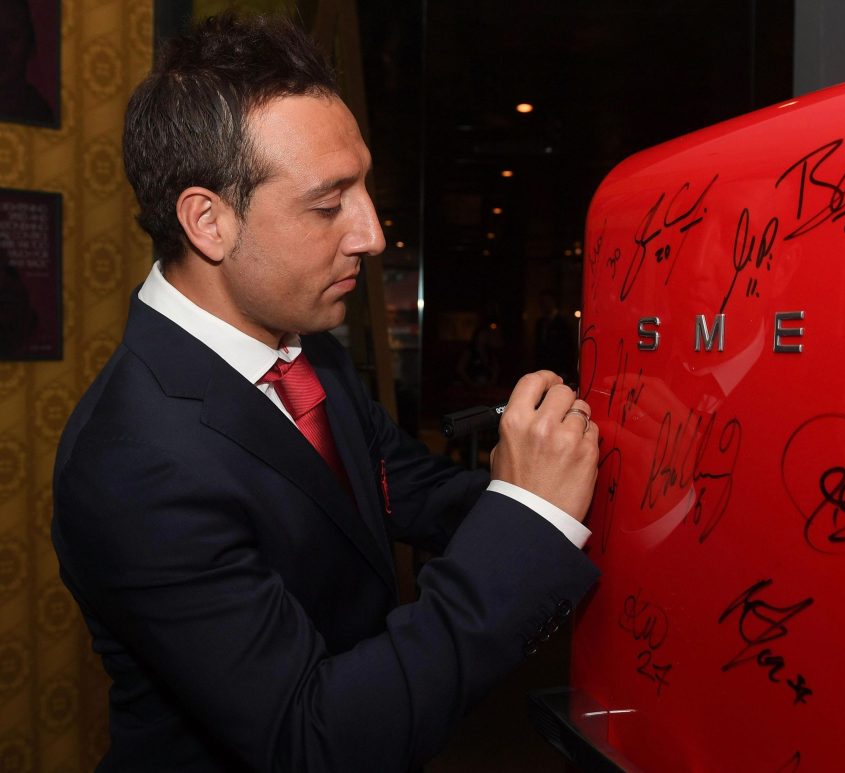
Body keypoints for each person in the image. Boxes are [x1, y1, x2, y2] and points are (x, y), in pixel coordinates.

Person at [51, 14, 600, 772]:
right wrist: (532, 520)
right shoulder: (134, 463)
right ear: (207, 219)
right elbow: (313, 738)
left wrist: (575, 483)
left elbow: (412, 491)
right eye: (327, 202)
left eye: (364, 186)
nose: (372, 233)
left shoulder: (308, 352)